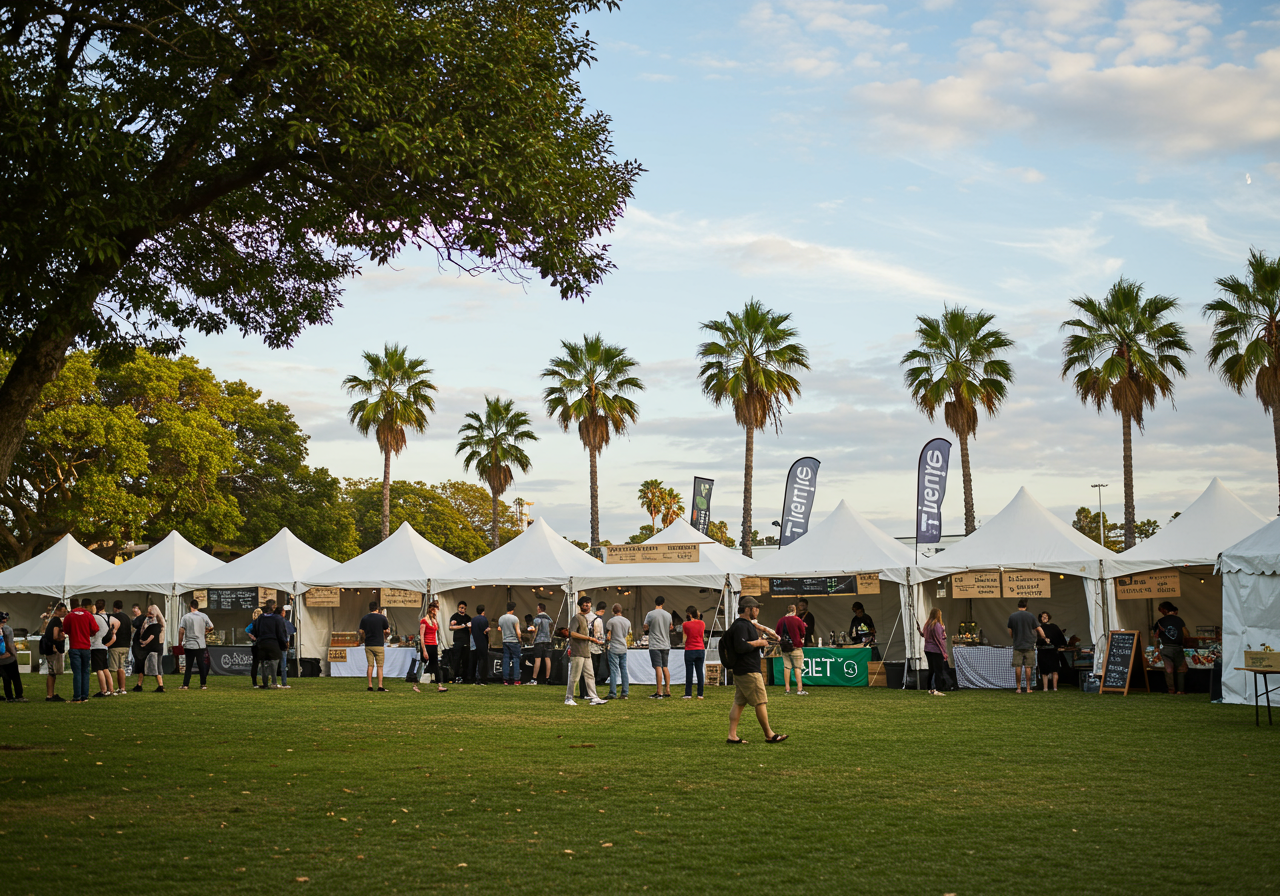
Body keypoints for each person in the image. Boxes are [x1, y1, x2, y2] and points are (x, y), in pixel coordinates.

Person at [727, 597, 786, 744]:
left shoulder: (744, 624)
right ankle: (769, 734)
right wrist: (759, 643)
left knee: (739, 703)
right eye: (756, 608)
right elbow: (740, 646)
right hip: (748, 670)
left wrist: (764, 636)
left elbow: (747, 640)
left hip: (743, 669)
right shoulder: (741, 626)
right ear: (748, 609)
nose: (758, 611)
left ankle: (732, 735)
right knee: (761, 701)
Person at [564, 596, 607, 706]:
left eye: (589, 603)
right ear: (581, 605)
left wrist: (593, 639)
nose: (587, 605)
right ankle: (568, 698)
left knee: (590, 675)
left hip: (586, 651)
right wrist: (589, 638)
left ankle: (594, 697)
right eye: (585, 603)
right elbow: (572, 633)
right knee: (574, 676)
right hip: (577, 652)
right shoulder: (576, 618)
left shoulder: (585, 618)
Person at [63, 596, 100, 703]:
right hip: (86, 647)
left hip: (74, 646)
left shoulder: (69, 616)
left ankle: (77, 696)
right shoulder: (88, 615)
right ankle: (85, 696)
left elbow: (65, 629)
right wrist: (89, 633)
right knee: (85, 672)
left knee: (77, 673)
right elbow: (95, 629)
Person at [1007, 598, 1044, 694]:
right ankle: (1028, 688)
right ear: (1026, 606)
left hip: (1017, 645)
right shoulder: (1030, 616)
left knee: (1018, 667)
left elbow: (1010, 630)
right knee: (1028, 667)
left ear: (1018, 606)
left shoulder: (1012, 616)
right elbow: (1039, 629)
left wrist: (1013, 637)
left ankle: (1018, 688)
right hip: (1029, 645)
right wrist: (1044, 637)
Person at [1153, 601, 1191, 695]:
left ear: (1164, 610)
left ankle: (1171, 690)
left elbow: (1155, 636)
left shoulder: (1160, 621)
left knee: (1168, 669)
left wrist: (1156, 647)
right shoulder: (1179, 620)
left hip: (1166, 648)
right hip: (1178, 648)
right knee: (1181, 669)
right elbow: (1186, 634)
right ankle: (1180, 690)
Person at [178, 598, 214, 690]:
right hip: (200, 644)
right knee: (201, 665)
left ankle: (185, 684)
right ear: (198, 606)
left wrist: (180, 642)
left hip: (189, 644)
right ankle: (203, 684)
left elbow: (181, 630)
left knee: (188, 666)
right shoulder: (203, 616)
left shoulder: (185, 617)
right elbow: (211, 626)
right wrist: (206, 632)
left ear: (190, 606)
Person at [414, 601, 448, 694]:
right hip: (426, 645)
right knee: (423, 664)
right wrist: (424, 650)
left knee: (435, 665)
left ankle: (439, 685)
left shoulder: (434, 620)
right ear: (432, 610)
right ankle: (415, 684)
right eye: (436, 610)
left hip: (433, 644)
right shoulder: (424, 621)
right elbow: (422, 636)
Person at [643, 595, 674, 699]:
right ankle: (667, 689)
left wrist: (650, 628)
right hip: (666, 644)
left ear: (655, 602)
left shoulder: (650, 614)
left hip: (655, 644)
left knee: (658, 667)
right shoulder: (668, 615)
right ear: (663, 603)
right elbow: (671, 627)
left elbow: (645, 627)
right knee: (665, 666)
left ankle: (659, 691)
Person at [255, 601, 289, 690]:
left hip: (262, 643)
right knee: (274, 663)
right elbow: (281, 633)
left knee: (264, 664)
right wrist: (284, 644)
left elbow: (256, 630)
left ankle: (265, 683)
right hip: (274, 643)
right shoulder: (278, 618)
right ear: (273, 607)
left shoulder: (260, 618)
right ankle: (274, 683)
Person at [776, 605, 808, 696]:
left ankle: (787, 689)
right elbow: (803, 633)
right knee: (797, 668)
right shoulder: (798, 620)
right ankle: (799, 689)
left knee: (787, 667)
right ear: (795, 610)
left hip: (785, 647)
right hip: (795, 647)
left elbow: (777, 633)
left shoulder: (781, 620)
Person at [917, 608, 950, 696]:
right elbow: (939, 639)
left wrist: (919, 631)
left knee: (931, 669)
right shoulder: (937, 625)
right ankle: (938, 688)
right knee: (938, 670)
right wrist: (944, 652)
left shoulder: (927, 625)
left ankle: (929, 688)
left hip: (928, 649)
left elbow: (924, 635)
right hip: (936, 650)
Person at [358, 602, 390, 692]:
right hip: (379, 644)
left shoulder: (364, 618)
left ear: (369, 608)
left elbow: (361, 631)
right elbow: (387, 631)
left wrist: (365, 635)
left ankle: (370, 685)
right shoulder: (382, 618)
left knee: (370, 665)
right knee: (380, 666)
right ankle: (380, 686)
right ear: (377, 608)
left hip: (368, 644)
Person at [39, 603, 66, 702]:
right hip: (53, 649)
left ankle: (50, 694)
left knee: (52, 672)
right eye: (63, 611)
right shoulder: (56, 621)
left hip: (48, 648)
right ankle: (50, 695)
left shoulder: (52, 620)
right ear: (58, 610)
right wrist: (61, 638)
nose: (65, 613)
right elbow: (55, 636)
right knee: (52, 672)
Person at [137, 605, 166, 693]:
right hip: (154, 647)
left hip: (154, 647)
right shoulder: (156, 622)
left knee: (156, 666)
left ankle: (160, 686)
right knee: (155, 666)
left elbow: (152, 635)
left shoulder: (156, 624)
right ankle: (140, 684)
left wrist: (144, 642)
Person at [1036, 611, 1068, 692]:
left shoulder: (1054, 627)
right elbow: (1036, 640)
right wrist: (1043, 641)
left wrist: (1058, 644)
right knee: (1044, 671)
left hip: (1052, 651)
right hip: (1042, 651)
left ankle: (1055, 688)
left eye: (1046, 616)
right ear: (1040, 618)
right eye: (1043, 616)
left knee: (1055, 670)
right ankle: (1045, 688)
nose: (1044, 618)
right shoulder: (1038, 628)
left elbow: (1060, 638)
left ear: (1048, 617)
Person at [604, 603, 630, 699]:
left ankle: (613, 692)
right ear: (621, 610)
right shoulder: (627, 621)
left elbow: (608, 635)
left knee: (614, 670)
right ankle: (625, 692)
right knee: (624, 669)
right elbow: (627, 634)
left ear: (613, 611)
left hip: (614, 647)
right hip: (623, 647)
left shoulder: (611, 621)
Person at [106, 601, 132, 695]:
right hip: (125, 645)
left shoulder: (113, 617)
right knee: (121, 668)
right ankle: (122, 688)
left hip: (115, 645)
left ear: (114, 607)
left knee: (113, 668)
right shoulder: (127, 617)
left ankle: (111, 689)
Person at [681, 606, 707, 699]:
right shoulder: (702, 623)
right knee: (699, 671)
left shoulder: (685, 624)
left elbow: (684, 639)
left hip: (690, 649)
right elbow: (702, 636)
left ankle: (688, 693)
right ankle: (700, 694)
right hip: (700, 649)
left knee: (689, 672)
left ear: (689, 614)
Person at [89, 599, 113, 698]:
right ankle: (111, 689)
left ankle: (103, 690)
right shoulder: (106, 617)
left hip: (96, 645)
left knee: (98, 669)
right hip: (104, 645)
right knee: (105, 668)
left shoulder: (94, 617)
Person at [0, 612, 25, 702]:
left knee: (6, 678)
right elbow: (10, 645)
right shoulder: (8, 629)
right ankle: (19, 696)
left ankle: (9, 697)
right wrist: (14, 654)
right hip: (9, 657)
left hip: (2, 658)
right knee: (15, 677)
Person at [498, 602, 522, 685]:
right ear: (513, 609)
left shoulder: (501, 618)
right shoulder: (515, 618)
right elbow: (518, 632)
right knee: (516, 659)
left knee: (506, 659)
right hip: (514, 641)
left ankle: (505, 679)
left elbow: (500, 629)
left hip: (505, 641)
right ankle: (516, 679)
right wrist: (520, 640)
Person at [529, 602, 553, 685]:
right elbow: (551, 627)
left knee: (537, 659)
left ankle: (534, 679)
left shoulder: (538, 618)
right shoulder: (549, 618)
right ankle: (547, 678)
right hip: (548, 640)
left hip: (539, 640)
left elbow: (535, 627)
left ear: (539, 609)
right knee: (548, 659)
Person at [449, 601, 472, 684]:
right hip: (458, 641)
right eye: (460, 607)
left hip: (466, 641)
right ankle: (456, 676)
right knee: (457, 659)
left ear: (465, 608)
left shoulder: (468, 618)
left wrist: (469, 628)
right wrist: (462, 626)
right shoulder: (455, 616)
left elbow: (470, 628)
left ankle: (465, 677)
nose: (462, 609)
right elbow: (451, 627)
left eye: (463, 608)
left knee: (466, 659)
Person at [470, 604, 490, 685]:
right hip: (482, 641)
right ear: (483, 611)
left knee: (476, 660)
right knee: (483, 660)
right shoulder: (484, 619)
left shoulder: (473, 620)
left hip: (475, 642)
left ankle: (475, 677)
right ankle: (482, 678)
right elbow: (485, 631)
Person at [591, 601, 609, 686]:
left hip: (589, 644)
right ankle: (594, 681)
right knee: (596, 664)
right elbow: (598, 634)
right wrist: (603, 640)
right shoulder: (598, 620)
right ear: (603, 610)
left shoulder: (591, 617)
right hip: (596, 646)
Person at [279, 606, 297, 688]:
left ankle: (272, 682)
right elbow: (291, 632)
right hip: (283, 645)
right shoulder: (285, 622)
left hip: (275, 645)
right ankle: (284, 682)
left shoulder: (275, 621)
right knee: (283, 664)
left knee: (272, 664)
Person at [245, 608, 263, 688]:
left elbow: (247, 630)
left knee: (255, 663)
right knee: (263, 663)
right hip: (261, 644)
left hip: (254, 645)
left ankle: (254, 682)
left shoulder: (253, 623)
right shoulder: (262, 623)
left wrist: (252, 636)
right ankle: (265, 680)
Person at [130, 604, 146, 690]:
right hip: (137, 643)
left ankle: (139, 684)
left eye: (135, 610)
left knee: (140, 663)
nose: (134, 612)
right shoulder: (138, 619)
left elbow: (135, 625)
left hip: (140, 644)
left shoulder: (141, 619)